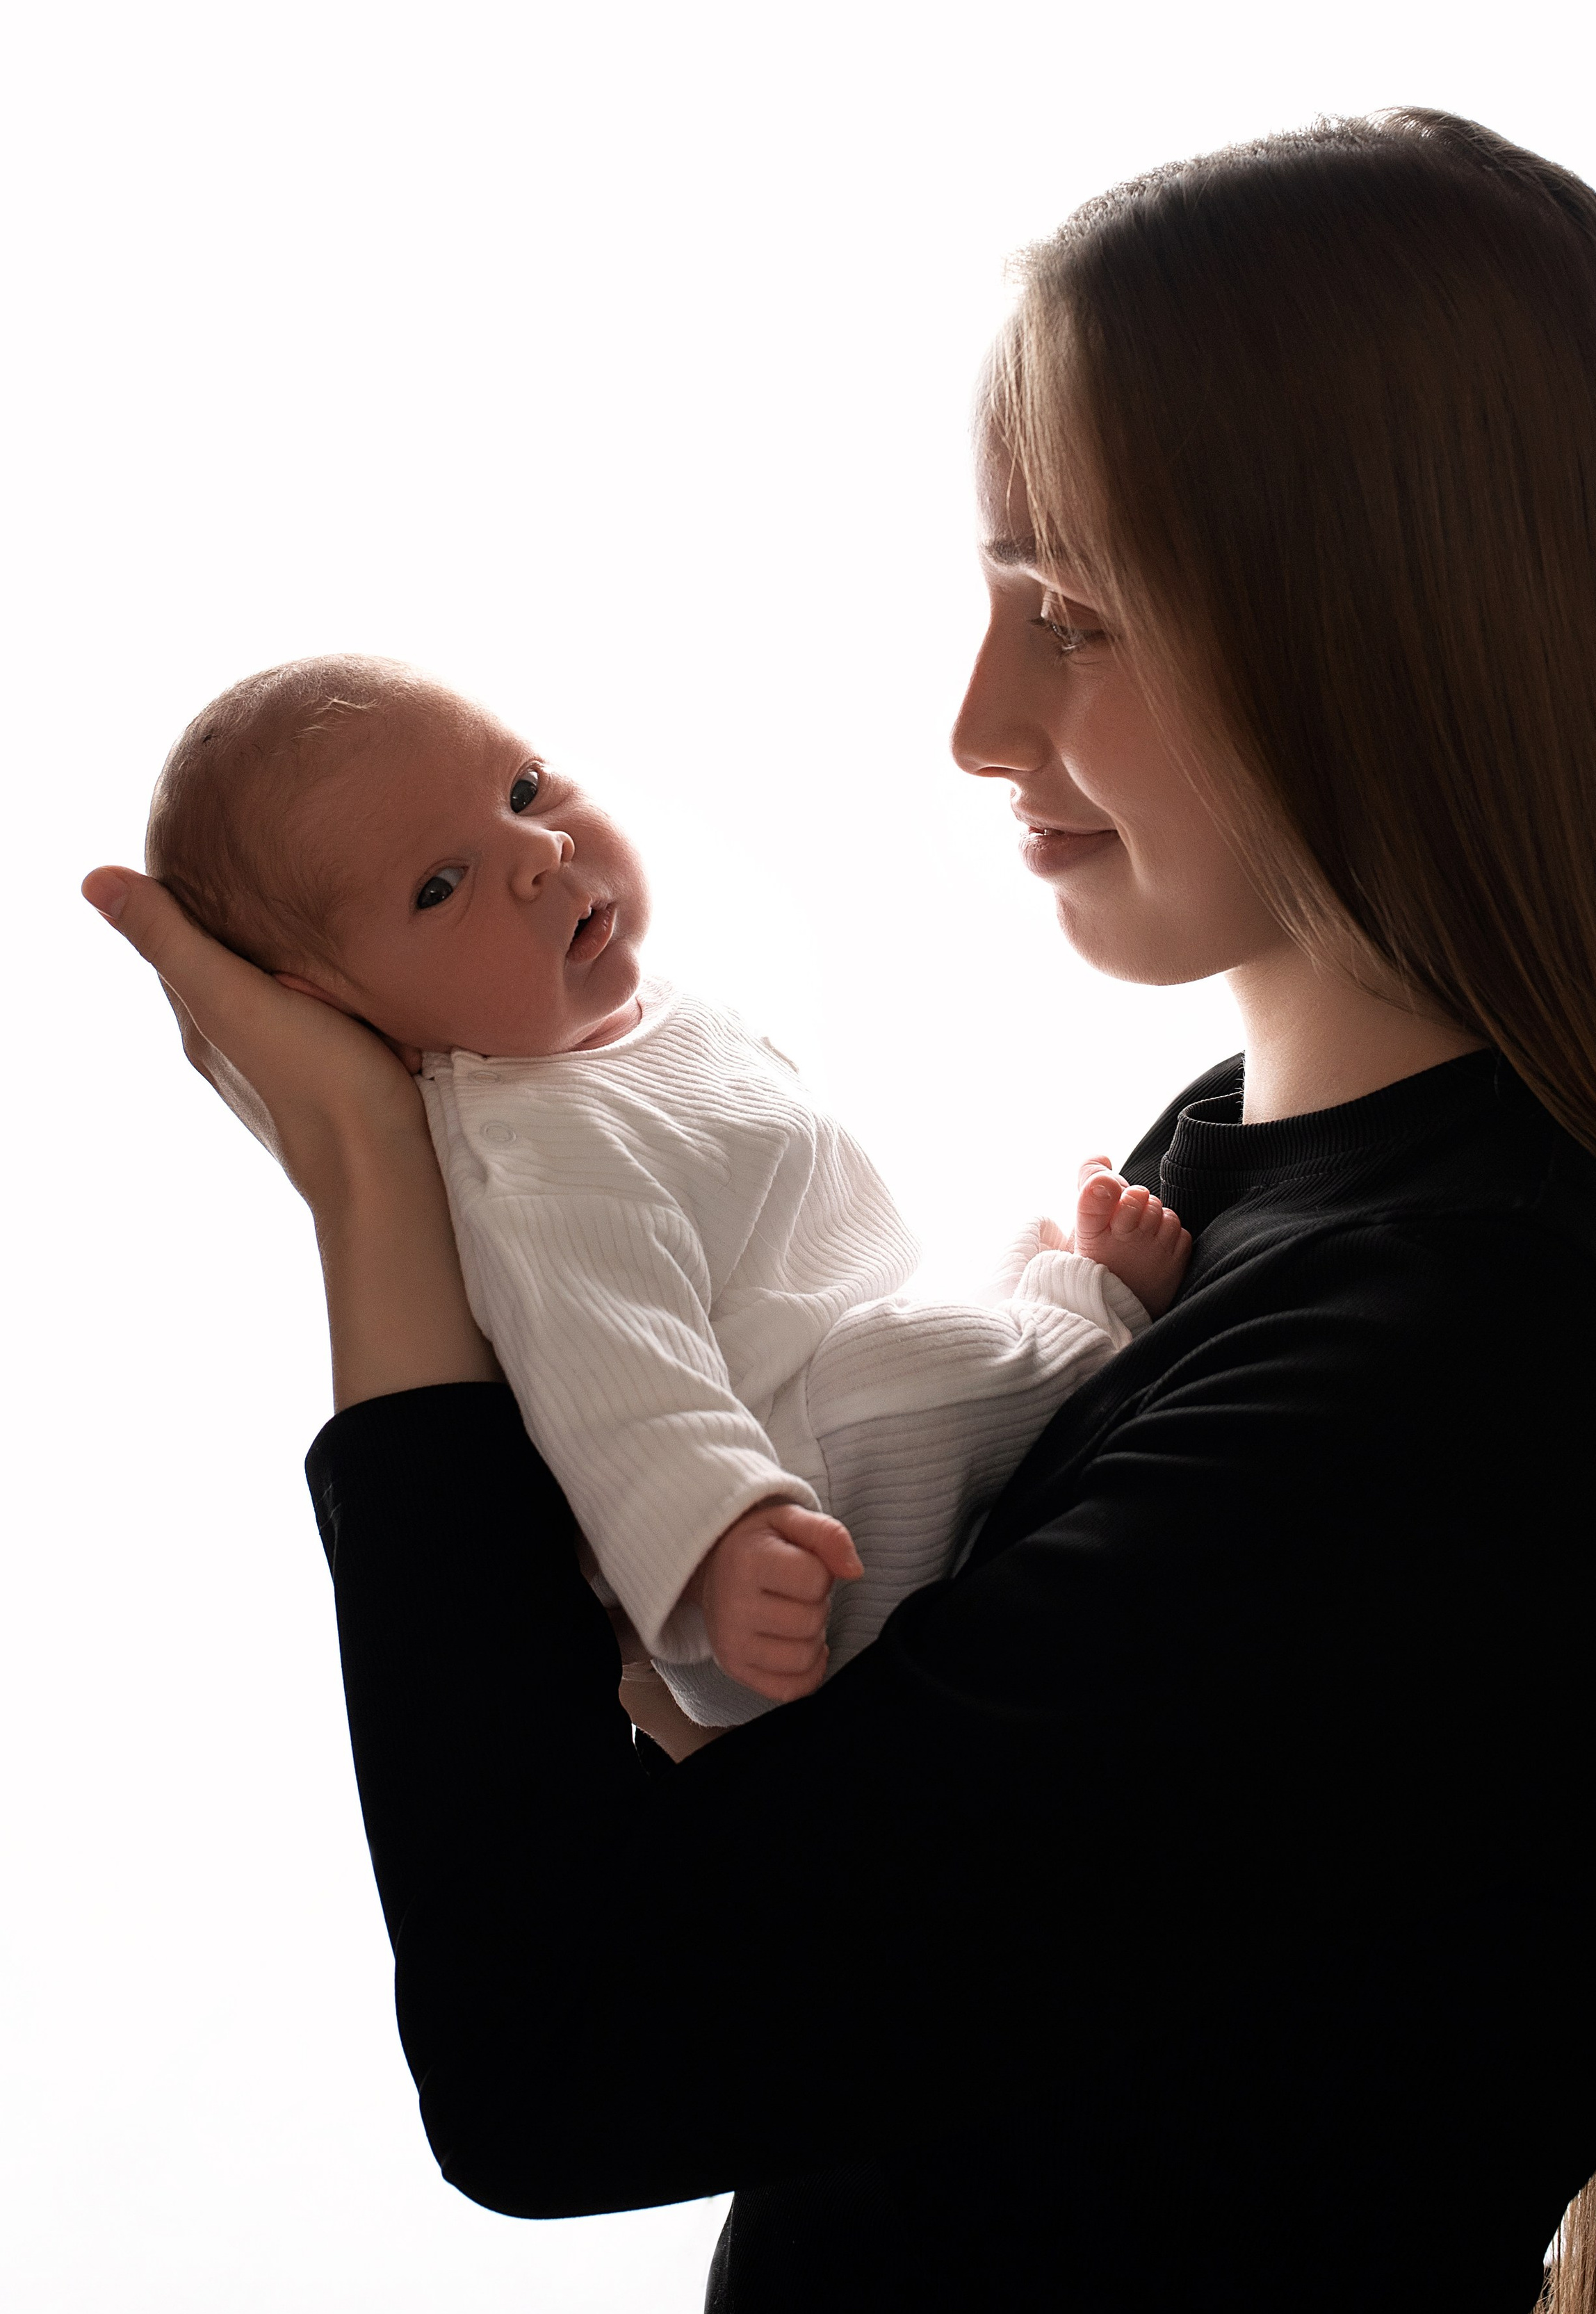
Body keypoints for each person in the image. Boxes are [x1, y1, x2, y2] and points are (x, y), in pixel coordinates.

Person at [83, 108, 1596, 2314]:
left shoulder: (1475, 1378)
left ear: (1391, 625)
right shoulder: (1233, 1189)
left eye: (1072, 613)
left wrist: (383, 1190)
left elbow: (559, 2041)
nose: (980, 721)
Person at [140, 658, 1182, 1729]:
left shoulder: (611, 1032)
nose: (539, 854)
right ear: (336, 1011)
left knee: (970, 1282)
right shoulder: (538, 1160)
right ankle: (1090, 1321)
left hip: (815, 1423)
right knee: (907, 1365)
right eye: (440, 887)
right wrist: (721, 1539)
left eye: (524, 789)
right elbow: (617, 1383)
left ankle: (1025, 1316)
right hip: (778, 1535)